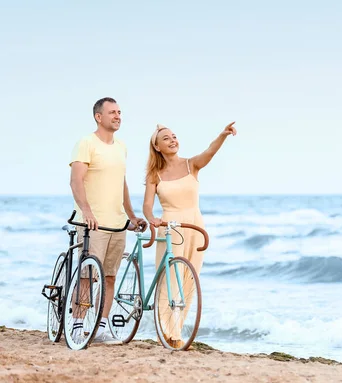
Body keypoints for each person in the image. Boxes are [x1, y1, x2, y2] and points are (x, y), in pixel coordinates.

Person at [143, 121, 237, 348]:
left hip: (194, 224)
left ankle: (176, 330)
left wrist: (222, 134)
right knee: (169, 279)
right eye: (166, 138)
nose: (172, 140)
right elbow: (147, 205)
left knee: (188, 280)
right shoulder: (154, 175)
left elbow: (210, 152)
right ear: (157, 147)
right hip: (170, 226)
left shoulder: (191, 165)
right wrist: (152, 219)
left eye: (174, 136)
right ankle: (169, 333)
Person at [70, 97, 146, 344]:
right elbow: (76, 180)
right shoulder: (86, 143)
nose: (117, 116)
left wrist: (132, 216)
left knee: (110, 276)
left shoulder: (121, 147)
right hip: (93, 223)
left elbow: (120, 184)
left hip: (117, 223)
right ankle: (77, 325)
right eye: (112, 112)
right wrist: (87, 211)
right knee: (87, 275)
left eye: (120, 112)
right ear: (98, 117)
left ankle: (100, 328)